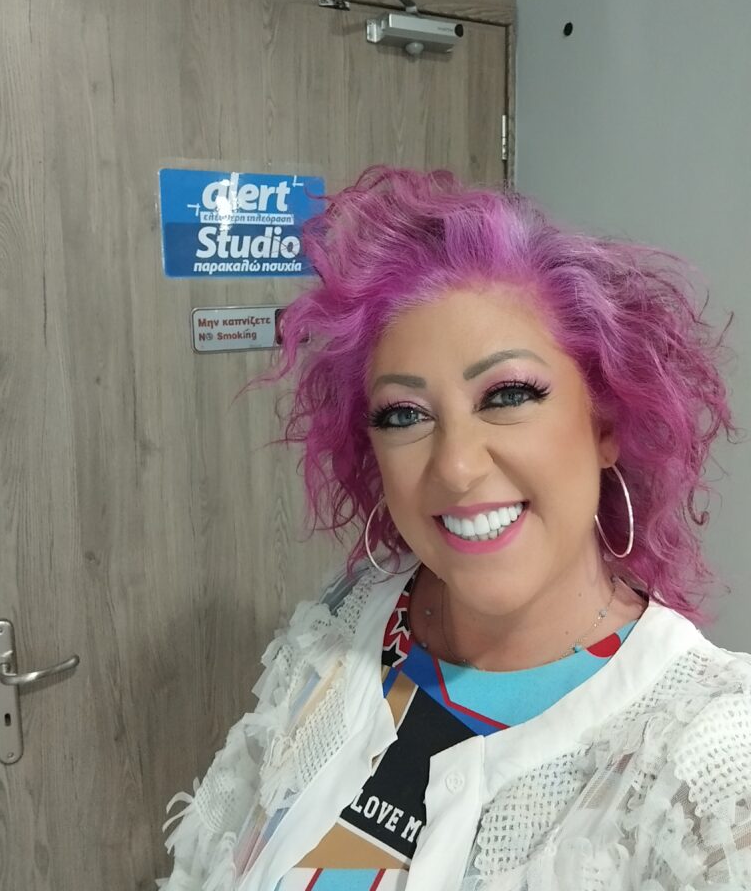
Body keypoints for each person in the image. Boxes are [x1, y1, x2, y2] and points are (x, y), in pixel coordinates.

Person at [157, 167, 751, 891]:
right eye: (404, 414)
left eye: (508, 395)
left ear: (605, 424)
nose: (458, 467)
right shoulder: (350, 622)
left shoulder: (713, 760)